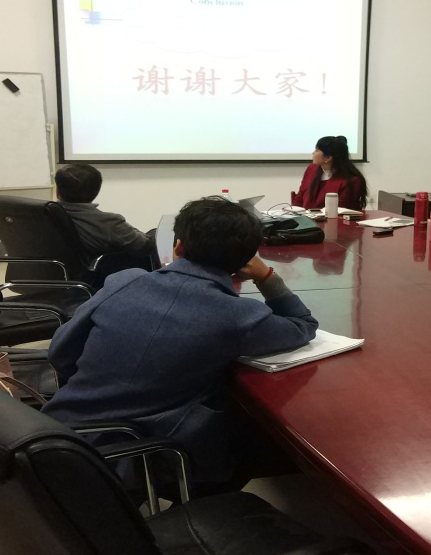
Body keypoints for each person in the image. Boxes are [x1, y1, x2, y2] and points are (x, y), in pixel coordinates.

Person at [41, 196, 318, 491]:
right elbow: (303, 326)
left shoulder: (124, 281)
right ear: (243, 263)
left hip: (54, 436)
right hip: (136, 456)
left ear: (178, 247)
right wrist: (266, 276)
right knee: (252, 432)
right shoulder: (238, 315)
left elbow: (60, 353)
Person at [54, 163, 155, 259]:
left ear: (57, 191)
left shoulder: (47, 215)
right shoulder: (109, 223)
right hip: (105, 270)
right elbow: (144, 246)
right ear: (96, 191)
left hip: (54, 270)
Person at [291, 135, 367, 210]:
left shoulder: (352, 181)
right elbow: (299, 199)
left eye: (317, 150)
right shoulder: (312, 169)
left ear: (328, 158)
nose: (313, 153)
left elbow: (340, 210)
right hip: (307, 216)